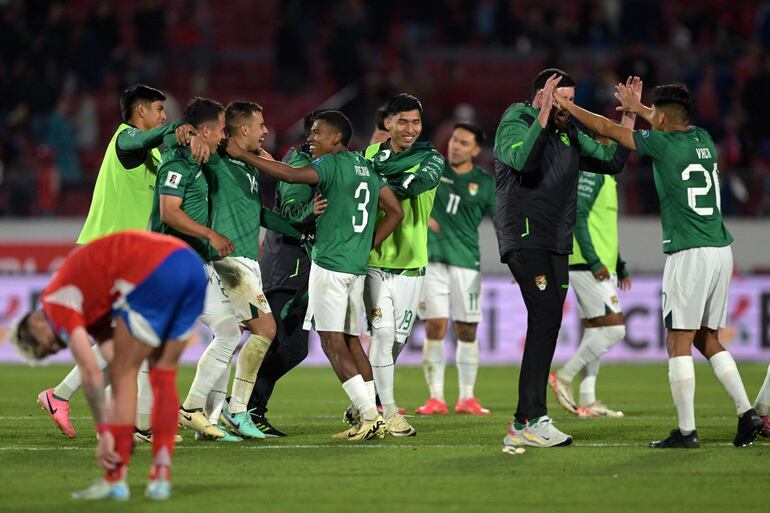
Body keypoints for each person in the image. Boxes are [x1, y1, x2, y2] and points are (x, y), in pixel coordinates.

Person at [554, 80, 763, 448]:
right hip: (720, 250)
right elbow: (664, 119)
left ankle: (686, 432)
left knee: (677, 340)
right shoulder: (702, 139)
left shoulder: (662, 145)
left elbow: (605, 129)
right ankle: (747, 414)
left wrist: (568, 108)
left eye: (655, 116)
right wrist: (639, 108)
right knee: (707, 338)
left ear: (663, 119)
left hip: (689, 252)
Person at [226, 110, 404, 440]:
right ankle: (240, 407)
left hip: (326, 263)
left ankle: (367, 415)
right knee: (340, 343)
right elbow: (396, 211)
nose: (311, 138)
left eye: (317, 133)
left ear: (335, 137)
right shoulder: (366, 167)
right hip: (340, 264)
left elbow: (290, 177)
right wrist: (365, 245)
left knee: (327, 342)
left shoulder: (325, 164)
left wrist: (244, 157)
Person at [38, 84, 196, 442]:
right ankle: (67, 398)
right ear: (140, 112)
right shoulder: (125, 140)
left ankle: (113, 419)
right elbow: (138, 143)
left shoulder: (152, 155)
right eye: (159, 110)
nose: (164, 116)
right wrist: (172, 131)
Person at [9, 231, 207, 501]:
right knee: (162, 373)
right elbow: (107, 347)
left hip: (155, 270)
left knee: (124, 373)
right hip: (192, 268)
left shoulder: (54, 304)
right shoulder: (89, 300)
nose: (58, 348)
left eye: (48, 347)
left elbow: (90, 371)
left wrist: (104, 434)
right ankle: (160, 476)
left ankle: (116, 479)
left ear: (37, 323)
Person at [494, 69, 633, 449]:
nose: (567, 107)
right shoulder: (517, 118)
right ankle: (531, 419)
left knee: (549, 322)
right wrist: (543, 116)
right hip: (525, 234)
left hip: (556, 241)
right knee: (545, 318)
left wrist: (629, 116)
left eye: (571, 99)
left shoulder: (568, 129)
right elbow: (522, 159)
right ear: (541, 96)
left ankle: (527, 419)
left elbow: (611, 160)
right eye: (560, 98)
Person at [176, 101, 300, 441]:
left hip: (247, 260)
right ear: (242, 129)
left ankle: (204, 414)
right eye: (260, 124)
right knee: (266, 329)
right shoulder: (216, 157)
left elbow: (256, 212)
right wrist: (188, 134)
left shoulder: (250, 167)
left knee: (229, 335)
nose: (265, 131)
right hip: (229, 262)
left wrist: (298, 230)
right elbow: (187, 131)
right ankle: (236, 411)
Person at [362, 94, 445, 437]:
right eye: (403, 122)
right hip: (374, 260)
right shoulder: (368, 155)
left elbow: (413, 186)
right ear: (389, 124)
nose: (410, 129)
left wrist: (375, 175)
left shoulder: (432, 159)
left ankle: (361, 403)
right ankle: (388, 411)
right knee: (381, 336)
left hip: (412, 263)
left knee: (395, 341)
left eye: (416, 122)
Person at [150, 96, 232, 440]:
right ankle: (135, 421)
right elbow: (169, 212)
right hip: (170, 265)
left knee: (229, 331)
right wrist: (209, 233)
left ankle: (195, 410)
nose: (223, 137)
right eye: (221, 130)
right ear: (205, 131)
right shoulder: (177, 164)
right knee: (146, 345)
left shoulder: (199, 161)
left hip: (193, 266)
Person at [246, 112, 320, 437]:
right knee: (272, 340)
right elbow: (289, 211)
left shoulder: (325, 163)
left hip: (307, 266)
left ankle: (243, 405)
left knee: (295, 349)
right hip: (284, 264)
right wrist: (311, 211)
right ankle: (246, 408)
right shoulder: (297, 164)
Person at [415, 122, 495, 416]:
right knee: (435, 326)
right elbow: (407, 197)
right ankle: (435, 397)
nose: (455, 146)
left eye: (463, 143)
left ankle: (467, 398)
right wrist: (422, 220)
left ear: (475, 150)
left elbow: (502, 221)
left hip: (467, 263)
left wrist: (515, 256)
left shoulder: (485, 183)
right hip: (432, 260)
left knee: (467, 329)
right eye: (453, 140)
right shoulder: (433, 171)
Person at [548, 143, 633, 418]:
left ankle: (588, 398)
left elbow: (604, 226)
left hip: (600, 264)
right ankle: (563, 377)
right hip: (587, 264)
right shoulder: (592, 173)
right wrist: (596, 261)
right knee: (615, 330)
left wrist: (618, 262)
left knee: (596, 331)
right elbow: (579, 216)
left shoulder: (607, 177)